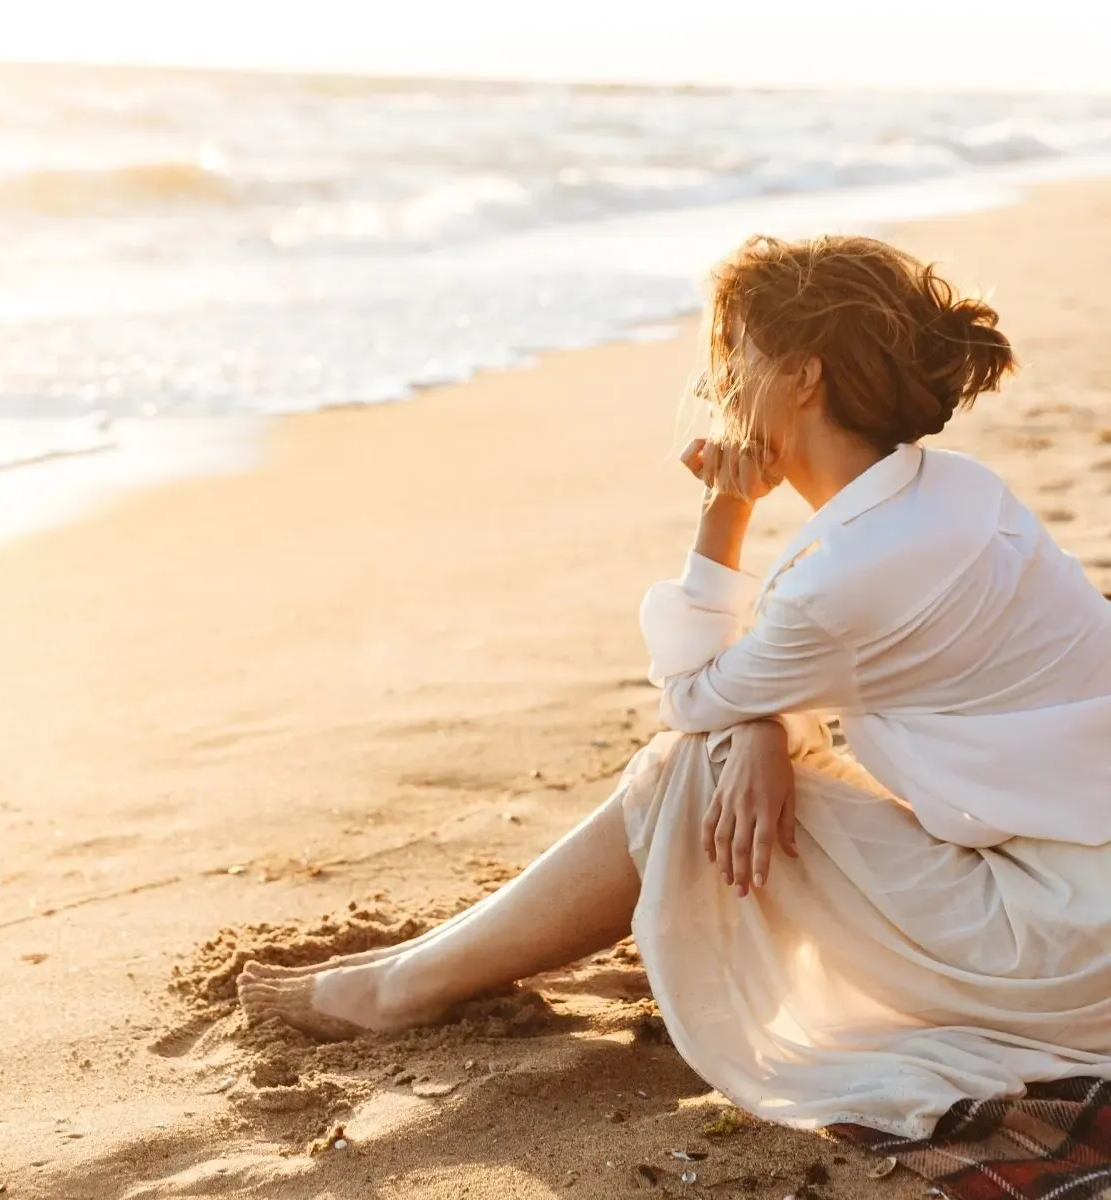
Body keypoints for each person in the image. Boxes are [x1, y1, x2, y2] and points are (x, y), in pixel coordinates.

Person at [239, 234, 1111, 1139]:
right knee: (730, 746)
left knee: (684, 769)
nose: (719, 379)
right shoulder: (958, 493)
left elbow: (693, 699)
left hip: (1060, 946)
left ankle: (403, 986)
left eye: (736, 351)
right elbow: (831, 668)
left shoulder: (844, 572)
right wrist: (761, 725)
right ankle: (422, 964)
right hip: (1081, 895)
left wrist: (724, 517)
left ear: (804, 378)